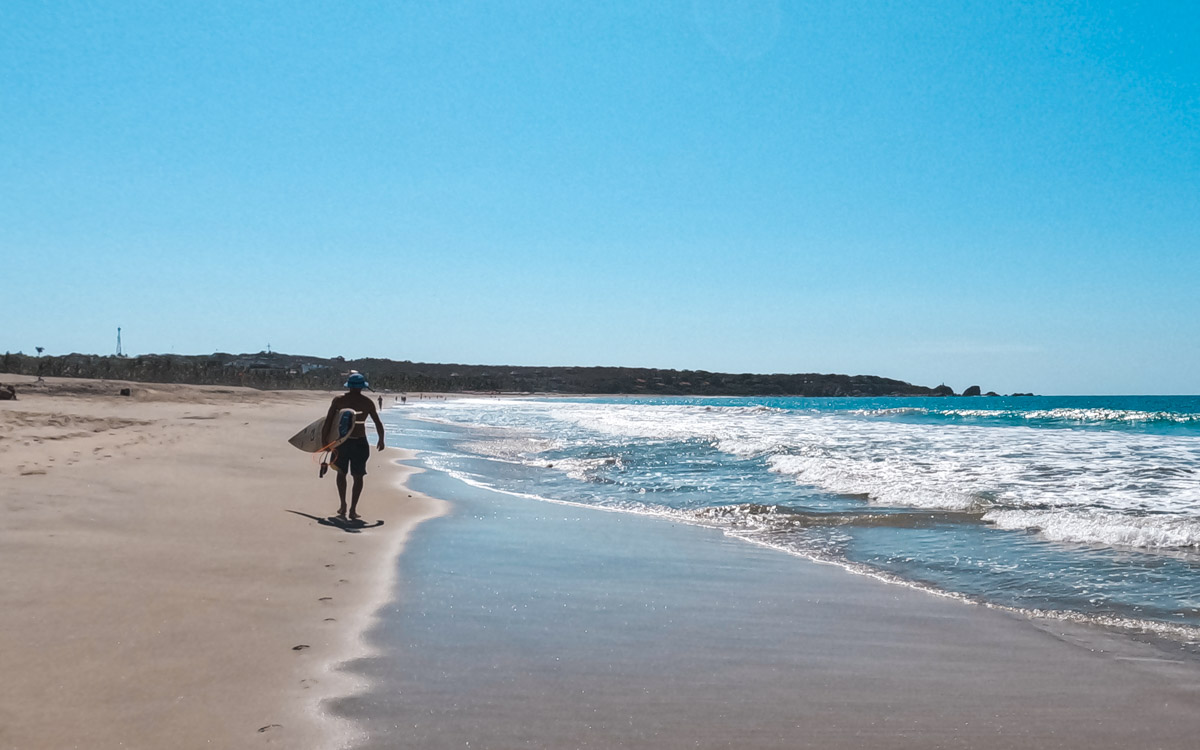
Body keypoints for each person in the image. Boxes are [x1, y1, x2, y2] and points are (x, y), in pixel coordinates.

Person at [322, 373, 385, 521]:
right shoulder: (367, 402)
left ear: (349, 385)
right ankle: (352, 509)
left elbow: (328, 422)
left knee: (341, 473)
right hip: (360, 442)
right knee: (358, 476)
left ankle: (343, 505)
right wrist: (381, 439)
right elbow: (377, 422)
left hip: (341, 442)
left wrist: (325, 441)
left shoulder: (339, 400)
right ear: (362, 387)